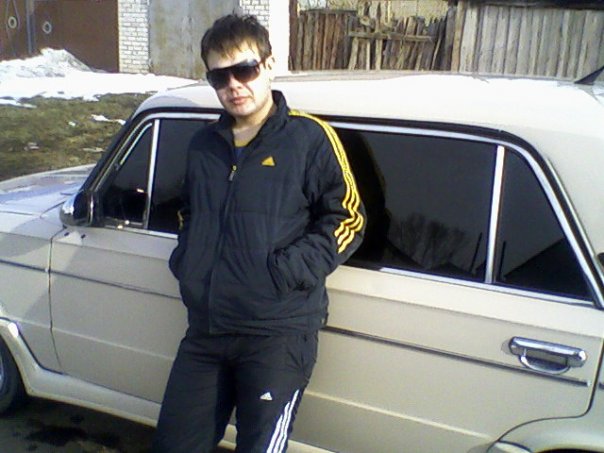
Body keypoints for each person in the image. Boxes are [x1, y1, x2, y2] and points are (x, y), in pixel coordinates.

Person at [152, 14, 365, 453]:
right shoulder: (204, 145)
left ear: (269, 66)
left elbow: (348, 218)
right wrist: (188, 259)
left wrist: (283, 273)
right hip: (207, 330)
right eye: (219, 76)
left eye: (244, 70)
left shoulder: (309, 139)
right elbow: (189, 211)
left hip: (276, 335)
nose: (234, 85)